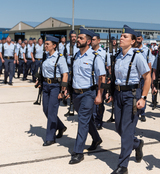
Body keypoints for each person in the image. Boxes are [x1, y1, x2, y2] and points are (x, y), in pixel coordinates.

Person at [106, 25, 151, 174]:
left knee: (126, 130)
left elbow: (147, 77)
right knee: (119, 127)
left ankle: (122, 165)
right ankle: (137, 144)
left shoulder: (137, 56)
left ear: (132, 41)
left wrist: (143, 98)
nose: (121, 38)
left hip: (132, 95)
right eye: (121, 36)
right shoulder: (117, 56)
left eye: (125, 36)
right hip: (118, 93)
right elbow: (114, 78)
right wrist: (111, 93)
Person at [68, 27, 106, 164]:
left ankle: (78, 151)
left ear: (89, 41)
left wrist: (99, 95)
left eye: (81, 38)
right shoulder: (76, 56)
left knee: (82, 120)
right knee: (87, 119)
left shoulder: (95, 57)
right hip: (76, 94)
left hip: (88, 93)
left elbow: (102, 76)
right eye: (77, 38)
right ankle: (96, 138)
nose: (77, 40)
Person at [35, 35, 68, 146]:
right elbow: (42, 71)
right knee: (46, 110)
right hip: (45, 85)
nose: (45, 46)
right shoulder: (45, 56)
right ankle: (61, 127)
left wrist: (62, 91)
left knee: (52, 112)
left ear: (54, 45)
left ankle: (50, 137)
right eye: (45, 44)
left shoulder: (60, 58)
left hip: (55, 87)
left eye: (48, 44)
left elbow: (65, 74)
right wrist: (39, 80)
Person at [136, 31, 154, 122]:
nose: (137, 41)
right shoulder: (132, 49)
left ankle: (142, 113)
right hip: (135, 76)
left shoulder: (147, 50)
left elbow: (149, 63)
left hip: (144, 76)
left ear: (142, 39)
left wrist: (148, 77)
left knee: (143, 94)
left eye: (139, 39)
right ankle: (136, 111)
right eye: (136, 39)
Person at [91, 32, 107, 130]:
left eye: (94, 40)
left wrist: (108, 81)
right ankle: (93, 120)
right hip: (91, 82)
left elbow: (108, 67)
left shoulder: (104, 52)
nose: (92, 42)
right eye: (91, 40)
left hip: (101, 81)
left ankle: (99, 121)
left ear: (98, 41)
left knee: (100, 103)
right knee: (92, 103)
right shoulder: (88, 52)